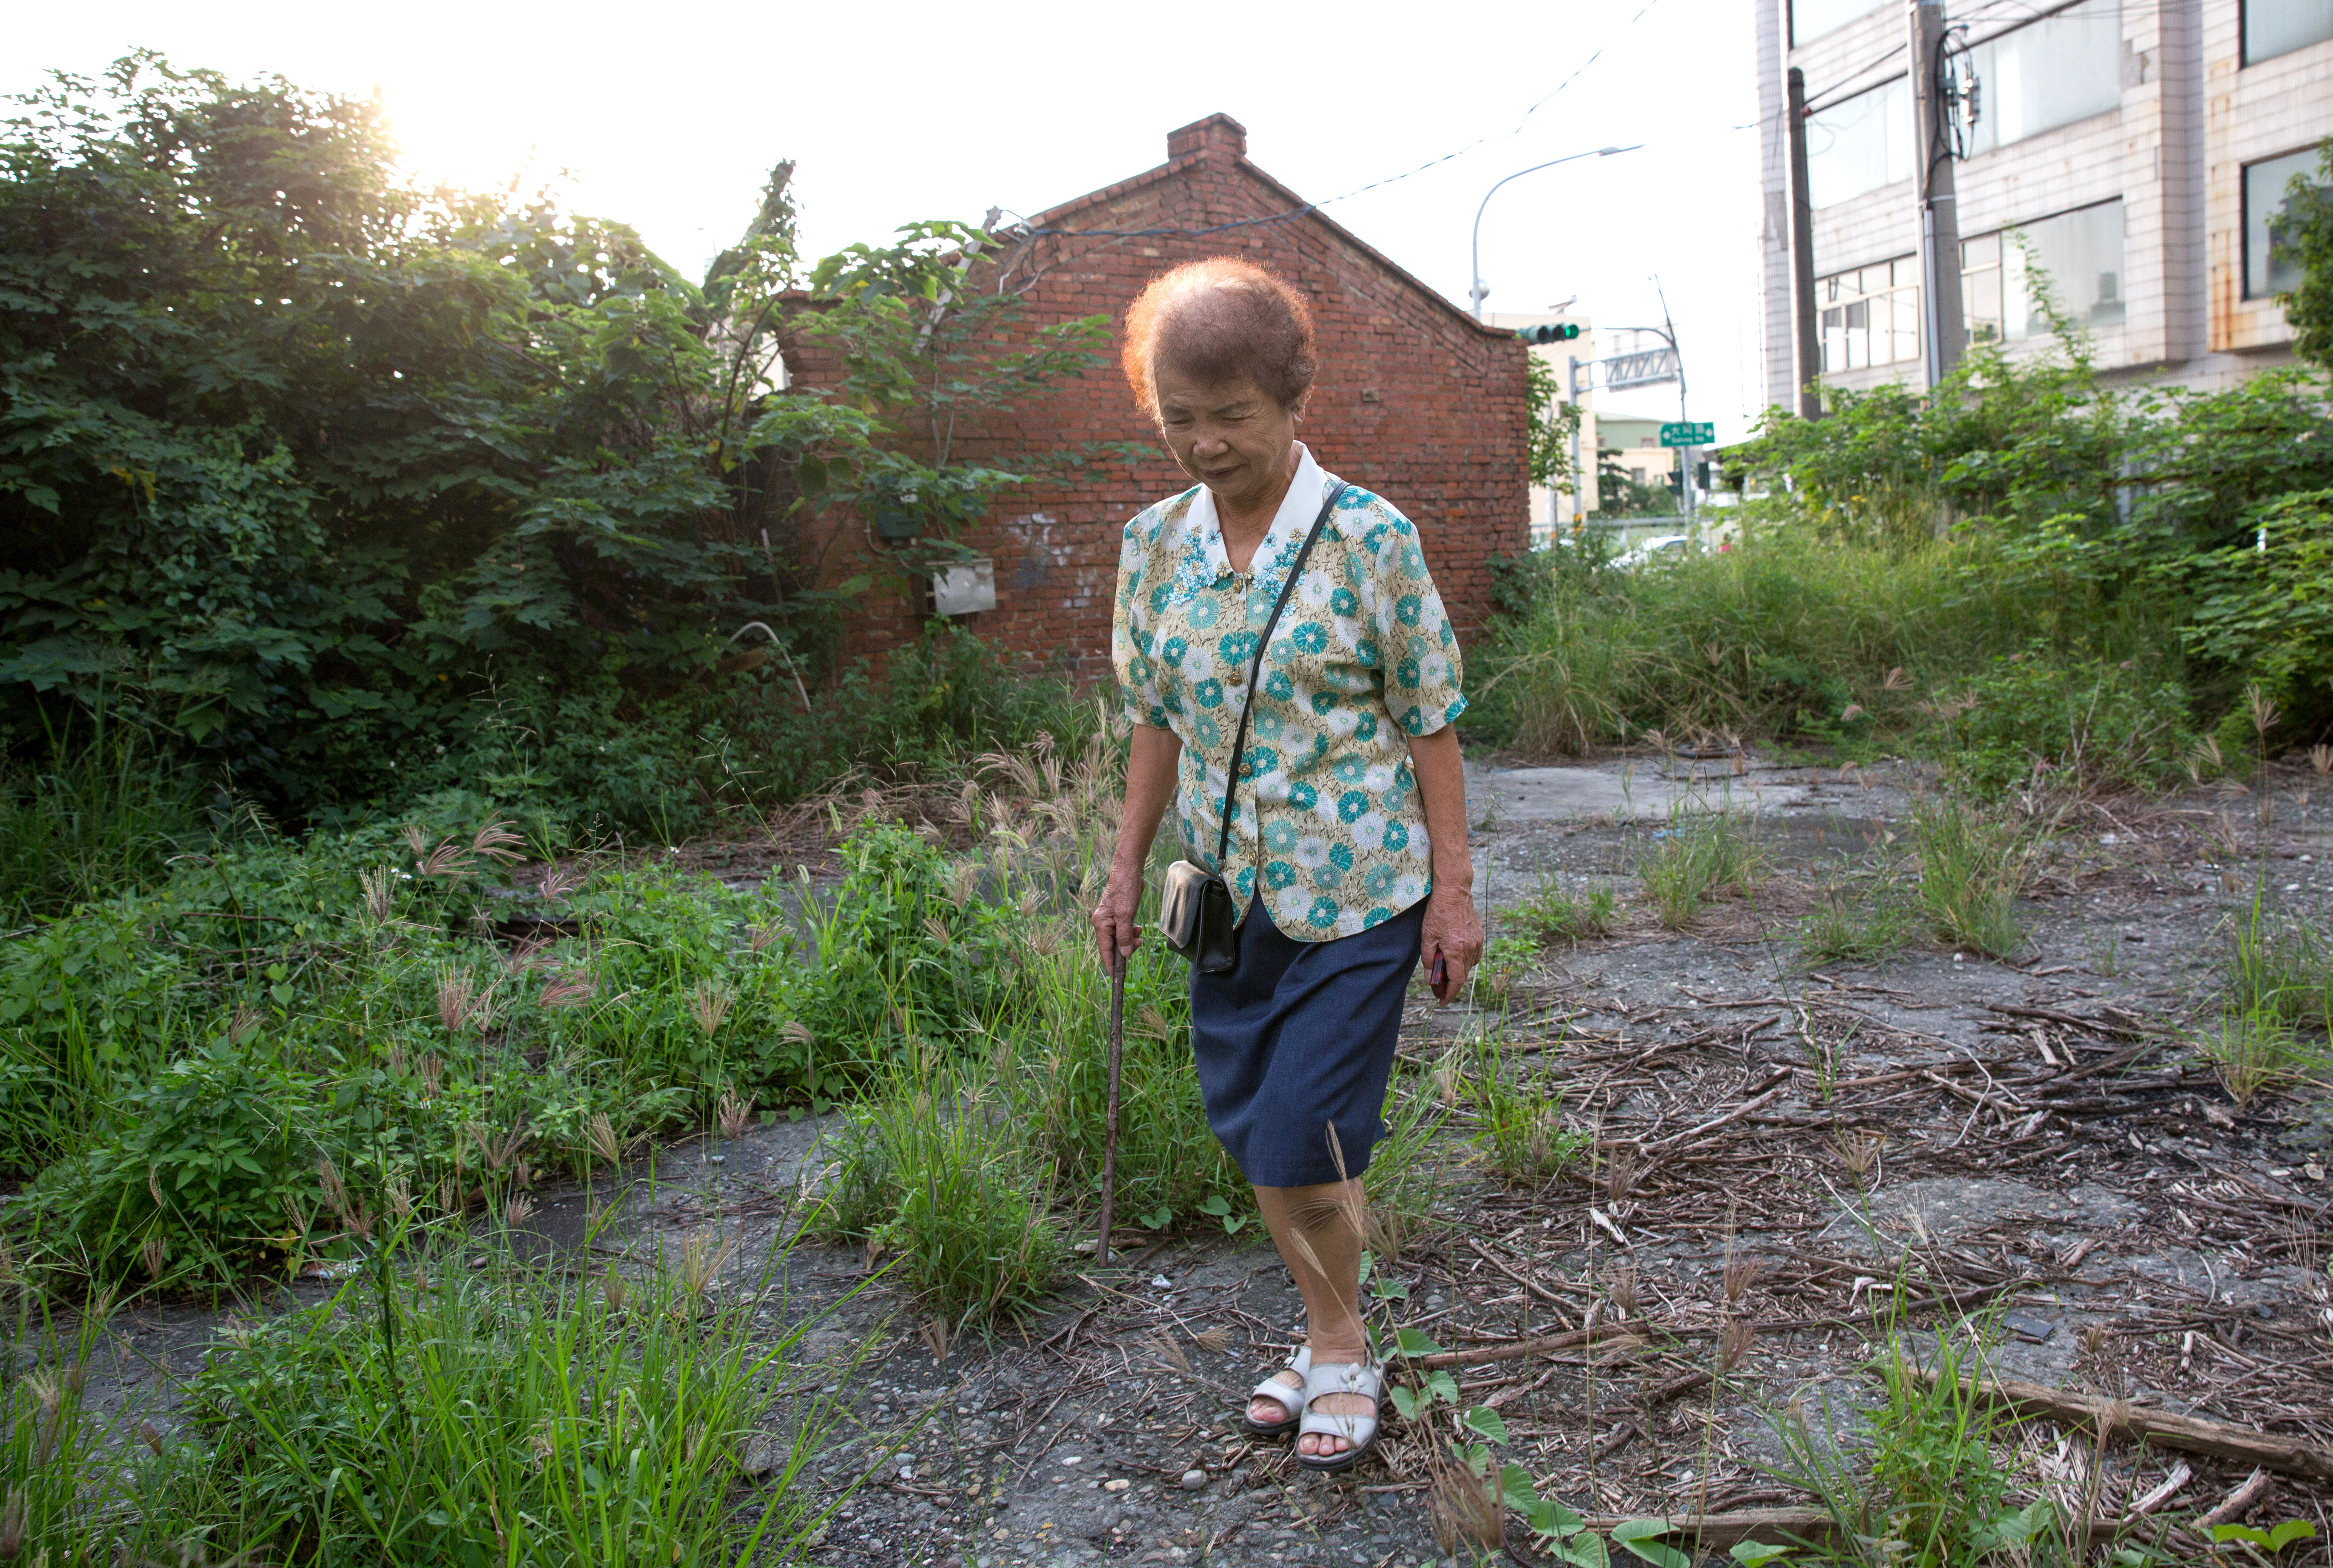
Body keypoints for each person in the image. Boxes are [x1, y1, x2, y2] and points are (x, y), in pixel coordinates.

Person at [1089, 257, 1483, 1472]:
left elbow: (1431, 722)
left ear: (1293, 397)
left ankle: (1341, 1343)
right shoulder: (1154, 547)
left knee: (1301, 1137)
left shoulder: (1371, 538)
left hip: (1358, 890)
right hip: (1222, 898)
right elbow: (1158, 718)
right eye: (1179, 419)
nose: (1204, 444)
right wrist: (1122, 869)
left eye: (1231, 416)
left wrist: (1455, 897)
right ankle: (1327, 1341)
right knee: (1263, 1125)